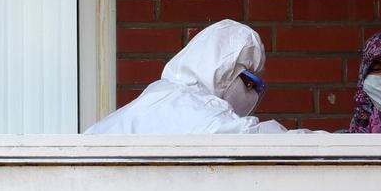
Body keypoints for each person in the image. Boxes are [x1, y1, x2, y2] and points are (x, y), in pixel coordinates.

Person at [85, 19, 289, 134]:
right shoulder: (187, 106)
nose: (253, 94)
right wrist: (316, 140)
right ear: (222, 71)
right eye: (251, 83)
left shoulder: (163, 95)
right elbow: (251, 141)